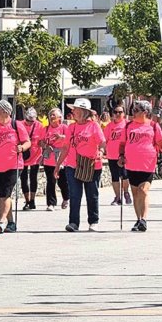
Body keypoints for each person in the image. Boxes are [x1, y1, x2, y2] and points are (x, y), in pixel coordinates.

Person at [118, 100, 162, 232]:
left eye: (136, 110)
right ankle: (139, 220)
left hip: (148, 164)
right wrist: (120, 156)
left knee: (143, 191)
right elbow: (122, 144)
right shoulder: (128, 126)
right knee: (136, 193)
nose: (133, 112)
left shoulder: (153, 126)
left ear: (145, 112)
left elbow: (160, 141)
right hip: (131, 164)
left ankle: (144, 219)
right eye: (133, 110)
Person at [54, 98, 106, 232]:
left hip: (91, 165)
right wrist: (58, 164)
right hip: (72, 165)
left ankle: (93, 221)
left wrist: (100, 151)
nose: (73, 111)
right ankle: (73, 222)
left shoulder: (94, 126)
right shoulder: (71, 127)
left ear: (83, 112)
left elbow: (102, 142)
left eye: (75, 109)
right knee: (75, 195)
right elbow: (65, 148)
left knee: (92, 194)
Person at [0, 100, 30, 234]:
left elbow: (27, 142)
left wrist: (22, 147)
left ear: (5, 112)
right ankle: (11, 223)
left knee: (6, 193)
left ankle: (1, 221)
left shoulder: (16, 125)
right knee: (3, 195)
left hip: (13, 165)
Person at [41, 108, 69, 211]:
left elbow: (70, 138)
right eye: (51, 115)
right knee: (50, 181)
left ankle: (66, 198)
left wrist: (61, 137)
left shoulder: (64, 128)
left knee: (62, 181)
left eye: (54, 115)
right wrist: (45, 146)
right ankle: (51, 203)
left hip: (62, 158)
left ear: (59, 117)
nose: (52, 117)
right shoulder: (45, 129)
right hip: (49, 159)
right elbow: (40, 142)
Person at [104, 104, 131, 206]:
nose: (118, 114)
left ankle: (126, 192)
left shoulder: (127, 125)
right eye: (116, 112)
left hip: (124, 155)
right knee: (115, 177)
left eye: (120, 112)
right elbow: (104, 140)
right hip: (111, 155)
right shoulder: (109, 126)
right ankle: (117, 197)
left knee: (125, 175)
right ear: (112, 114)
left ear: (124, 114)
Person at [20, 107, 45, 210]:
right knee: (23, 178)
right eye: (28, 121)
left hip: (35, 154)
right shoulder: (20, 124)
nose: (30, 123)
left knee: (33, 177)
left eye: (32, 121)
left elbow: (42, 141)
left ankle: (32, 200)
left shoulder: (39, 126)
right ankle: (27, 200)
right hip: (24, 154)